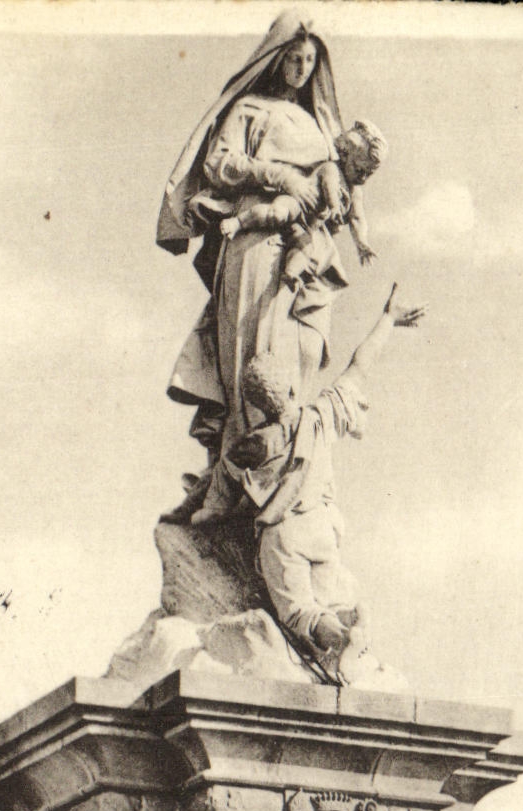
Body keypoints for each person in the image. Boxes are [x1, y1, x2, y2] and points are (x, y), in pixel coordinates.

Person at [157, 14, 350, 519]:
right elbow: (219, 163)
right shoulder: (249, 109)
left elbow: (334, 180)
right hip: (254, 242)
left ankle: (281, 476)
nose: (302, 69)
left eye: (310, 61)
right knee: (250, 359)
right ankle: (236, 488)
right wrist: (280, 176)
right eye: (294, 58)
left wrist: (334, 196)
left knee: (294, 361)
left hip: (305, 255)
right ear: (277, 57)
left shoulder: (316, 125)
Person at [223, 283, 425, 675]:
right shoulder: (320, 415)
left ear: (256, 403)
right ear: (292, 387)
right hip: (324, 526)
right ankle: (352, 622)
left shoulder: (254, 445)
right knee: (329, 599)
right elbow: (359, 365)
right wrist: (388, 318)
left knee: (300, 612)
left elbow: (229, 487)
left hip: (285, 534)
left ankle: (345, 639)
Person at [217, 118, 386, 292]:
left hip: (307, 225)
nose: (363, 178)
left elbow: (357, 218)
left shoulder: (355, 192)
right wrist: (335, 207)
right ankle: (239, 222)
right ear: (345, 154)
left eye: (368, 174)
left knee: (305, 249)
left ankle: (290, 274)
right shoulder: (331, 168)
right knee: (275, 213)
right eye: (359, 170)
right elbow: (329, 188)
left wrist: (362, 243)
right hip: (297, 205)